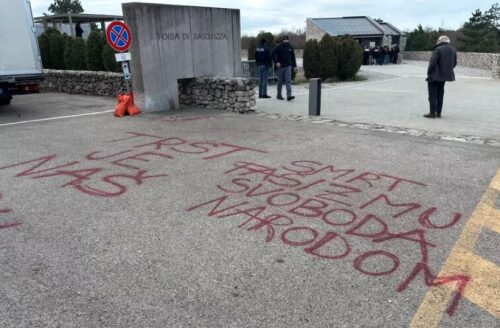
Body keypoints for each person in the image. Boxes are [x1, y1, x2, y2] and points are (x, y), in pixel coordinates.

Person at [424, 35, 457, 118]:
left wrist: (429, 72)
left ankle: (432, 113)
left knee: (432, 95)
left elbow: (432, 62)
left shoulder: (438, 49)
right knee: (440, 94)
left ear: (439, 41)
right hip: (444, 76)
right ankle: (438, 113)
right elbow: (454, 63)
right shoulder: (453, 50)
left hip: (435, 75)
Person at [272, 35, 297, 101]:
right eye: (284, 39)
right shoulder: (279, 47)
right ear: (283, 40)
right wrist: (276, 62)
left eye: (287, 39)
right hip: (280, 67)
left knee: (288, 81)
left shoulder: (290, 47)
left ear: (288, 40)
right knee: (280, 81)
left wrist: (295, 66)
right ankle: (279, 95)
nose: (286, 41)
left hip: (288, 66)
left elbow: (293, 58)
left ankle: (289, 96)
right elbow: (272, 54)